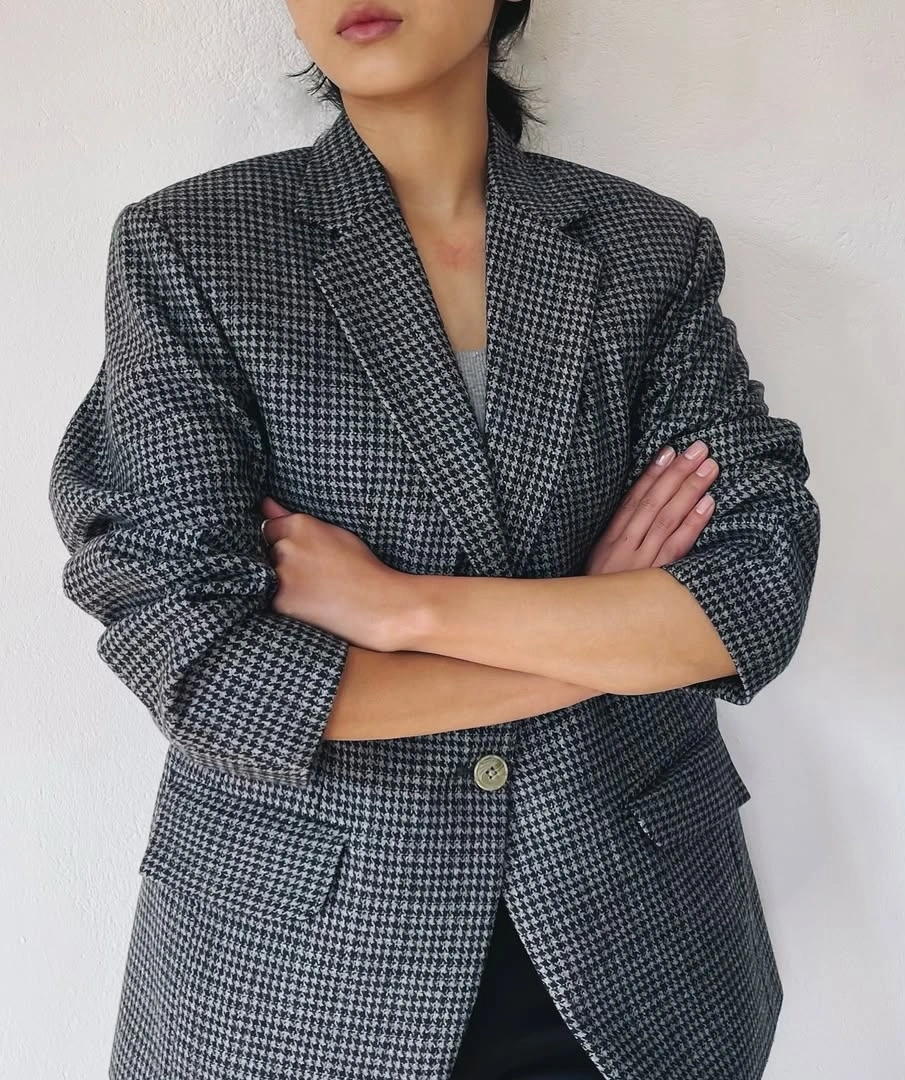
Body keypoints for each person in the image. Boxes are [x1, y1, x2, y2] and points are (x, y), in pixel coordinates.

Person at [47, 2, 820, 1078]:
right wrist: (603, 628)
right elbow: (205, 665)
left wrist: (404, 609)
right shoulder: (195, 248)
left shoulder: (649, 248)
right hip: (302, 968)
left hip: (631, 941)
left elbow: (754, 591)